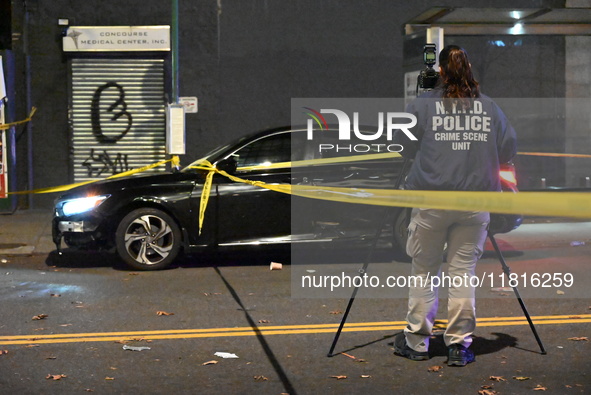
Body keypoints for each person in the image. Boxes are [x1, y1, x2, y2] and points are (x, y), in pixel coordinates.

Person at [393, 45, 517, 366]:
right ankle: (459, 346)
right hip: (475, 202)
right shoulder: (489, 108)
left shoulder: (425, 105)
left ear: (442, 73)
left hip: (432, 199)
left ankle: (417, 341)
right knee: (462, 273)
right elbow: (508, 147)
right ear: (469, 70)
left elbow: (403, 145)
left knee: (424, 271)